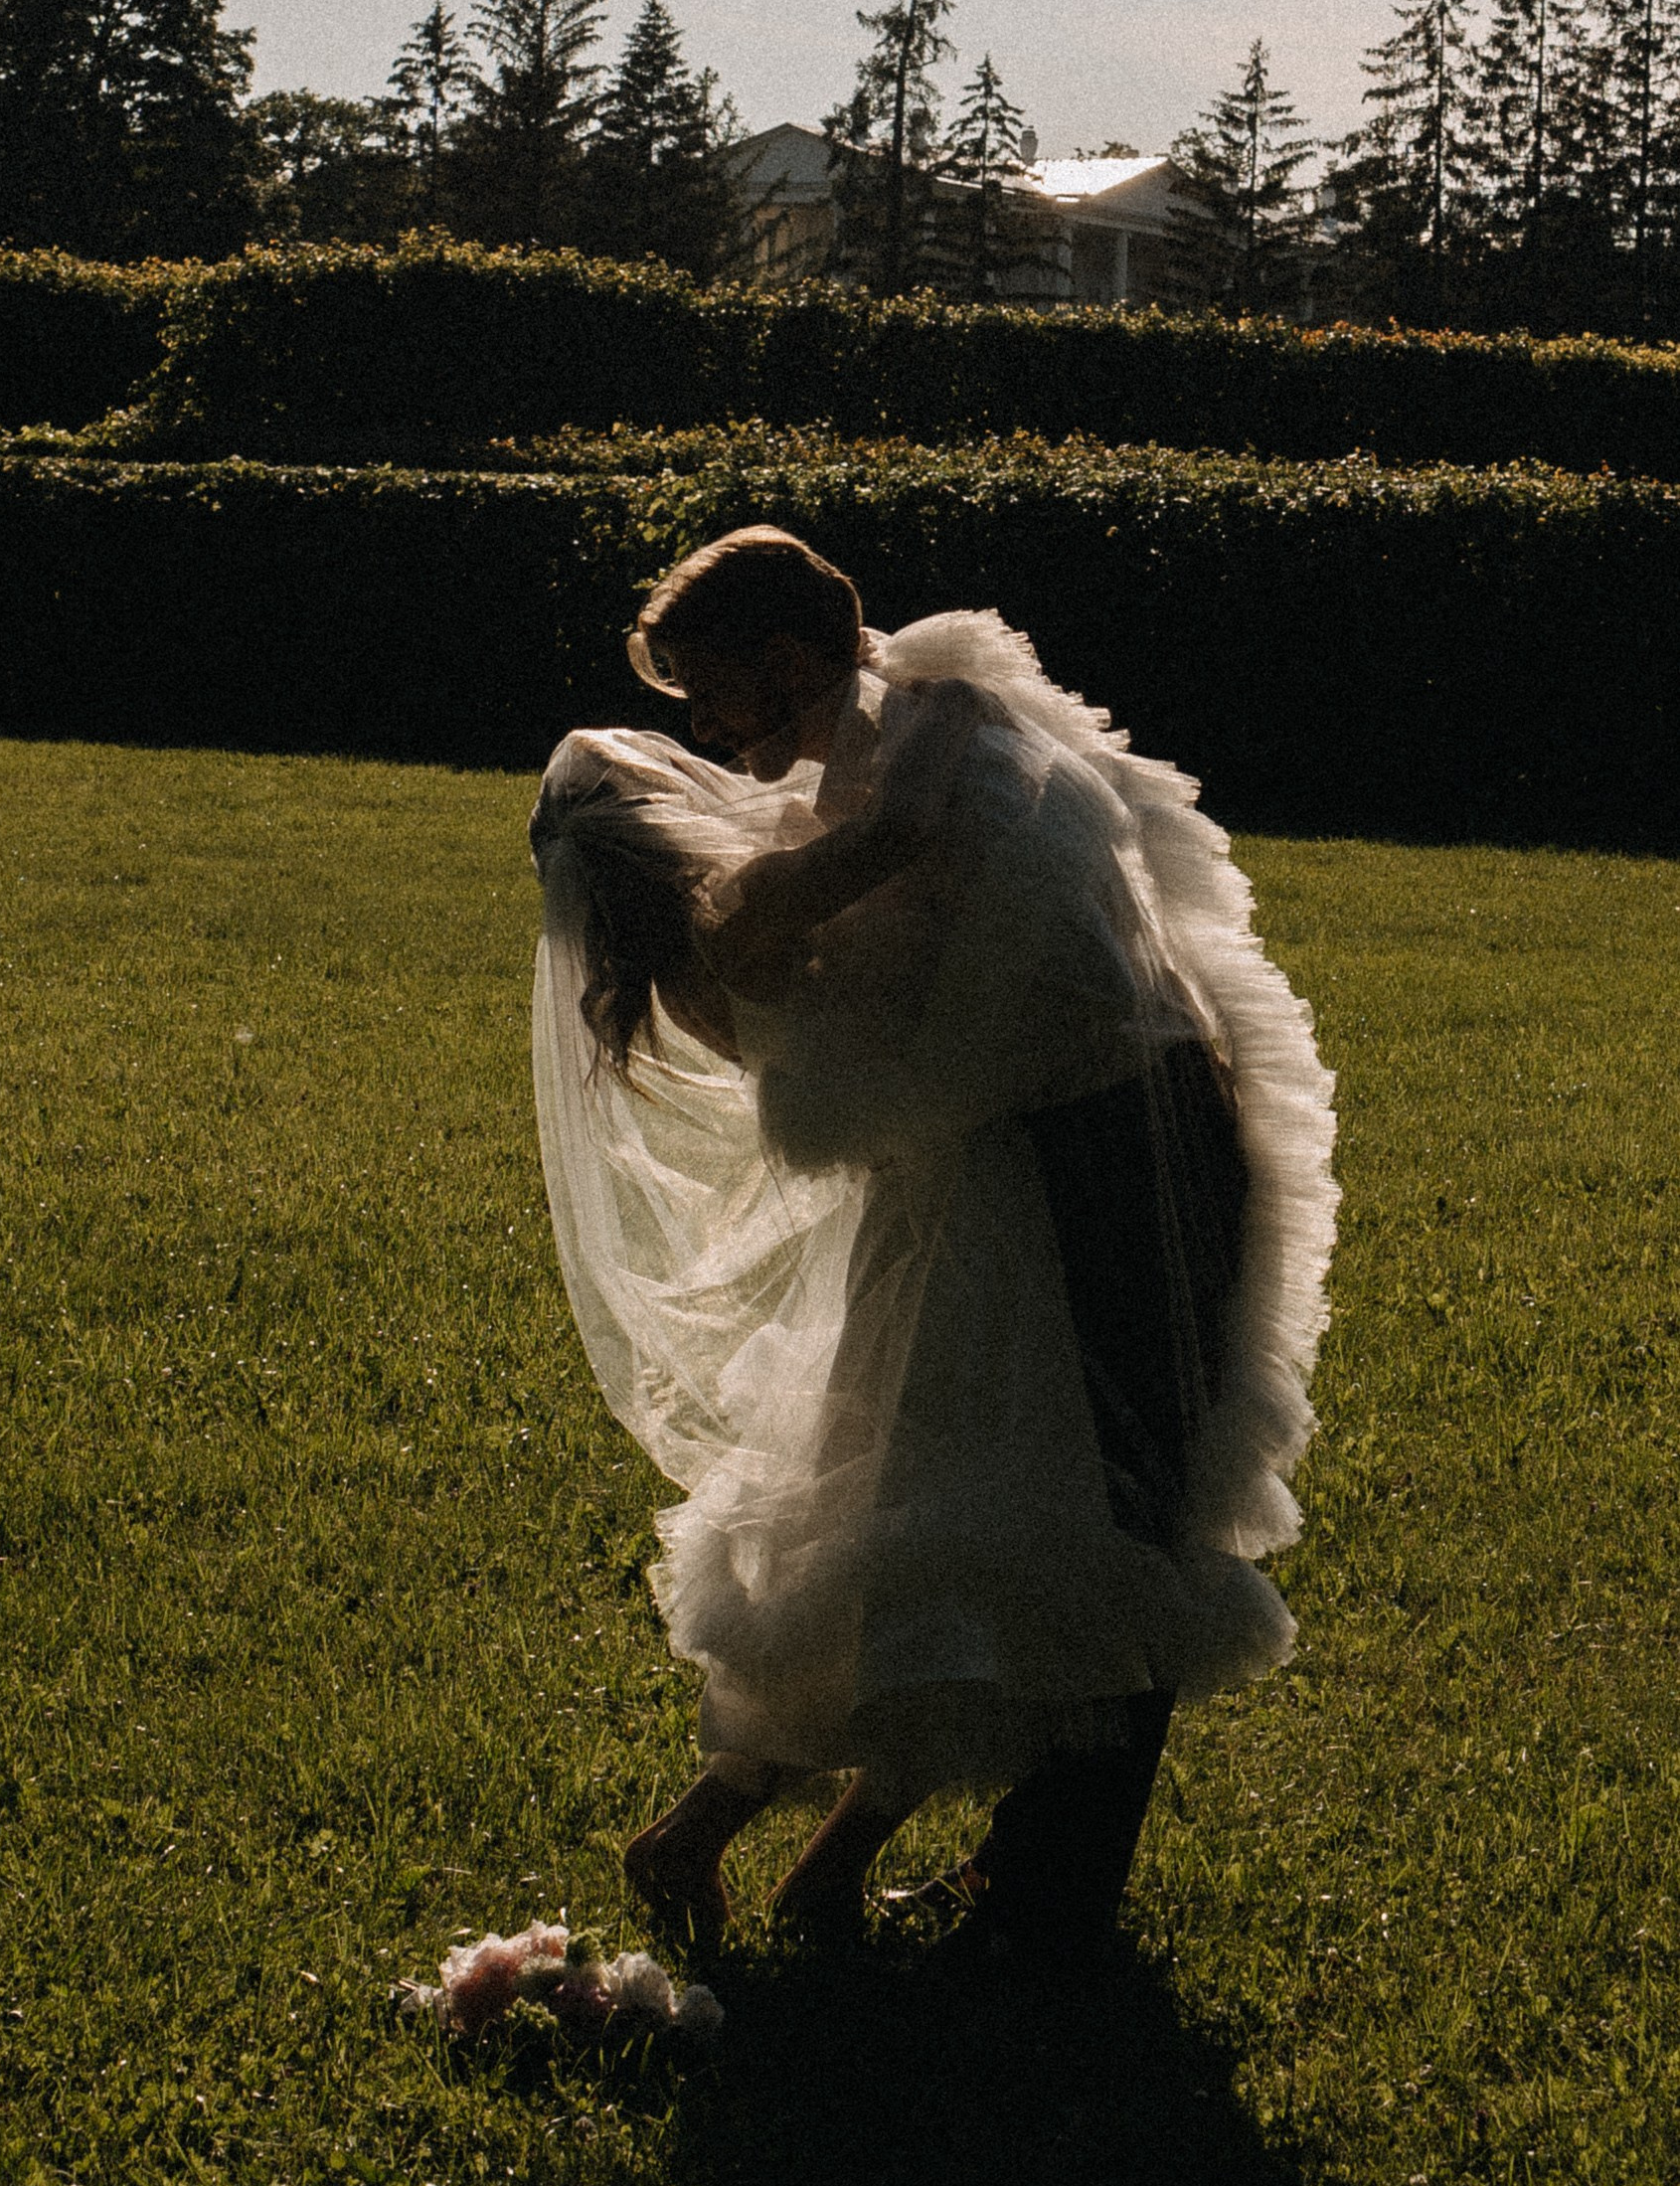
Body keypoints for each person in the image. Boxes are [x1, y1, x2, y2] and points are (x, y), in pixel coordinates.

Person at [527, 527, 1337, 1968]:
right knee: (1089, 1507)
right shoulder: (892, 771)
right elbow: (916, 983)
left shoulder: (916, 741)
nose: (705, 736)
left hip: (1066, 1157)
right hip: (1053, 1166)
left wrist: (810, 872)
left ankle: (896, 1867)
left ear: (785, 662)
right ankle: (1032, 1900)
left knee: (980, 1505)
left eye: (711, 697)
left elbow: (958, 912)